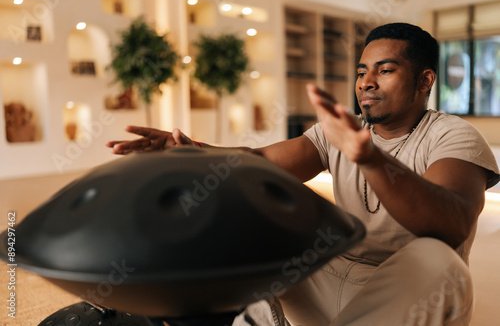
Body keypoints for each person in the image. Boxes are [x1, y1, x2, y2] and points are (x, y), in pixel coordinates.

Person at [106, 23, 500, 325]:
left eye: (386, 70)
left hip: (406, 298)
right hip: (329, 284)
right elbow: (257, 160)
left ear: (425, 81)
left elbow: (451, 224)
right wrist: (190, 153)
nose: (366, 81)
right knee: (259, 212)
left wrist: (369, 159)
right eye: (362, 71)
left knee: (438, 258)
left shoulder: (454, 136)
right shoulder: (341, 131)